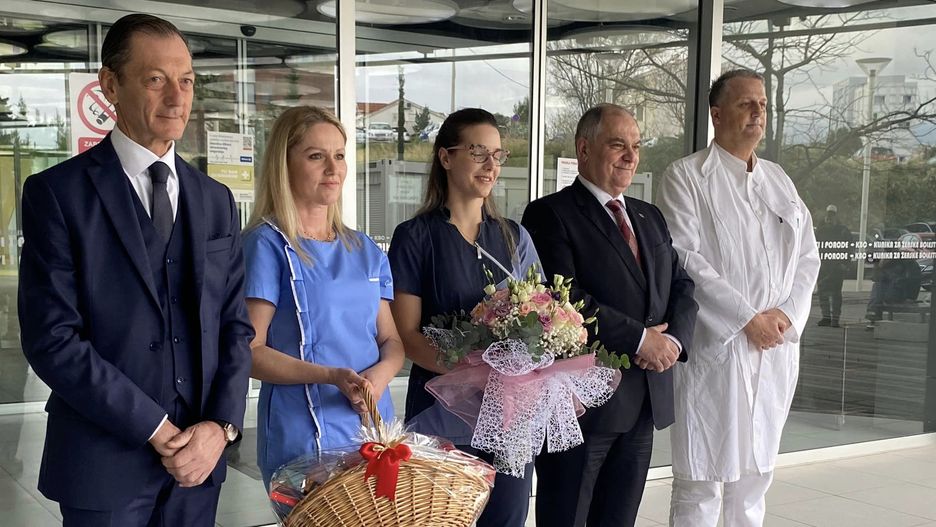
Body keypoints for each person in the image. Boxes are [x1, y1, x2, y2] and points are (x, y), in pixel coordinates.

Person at [17, 14, 253, 526]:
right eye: (155, 79)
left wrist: (221, 428)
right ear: (110, 84)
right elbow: (52, 338)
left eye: (186, 80)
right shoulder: (57, 194)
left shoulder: (216, 200)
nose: (176, 97)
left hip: (199, 465)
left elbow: (235, 328)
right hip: (102, 465)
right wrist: (155, 428)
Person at [657, 69, 820, 527]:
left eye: (762, 104)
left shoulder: (779, 180)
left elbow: (807, 255)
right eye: (746, 103)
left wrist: (786, 315)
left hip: (773, 348)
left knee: (755, 477)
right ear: (716, 114)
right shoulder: (686, 177)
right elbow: (685, 258)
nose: (757, 113)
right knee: (703, 480)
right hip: (719, 348)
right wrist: (748, 318)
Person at [521, 104, 697, 527]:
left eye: (636, 146)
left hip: (643, 400)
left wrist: (673, 342)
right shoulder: (550, 214)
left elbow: (682, 285)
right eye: (618, 145)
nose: (631, 156)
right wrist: (641, 340)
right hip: (583, 406)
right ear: (584, 149)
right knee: (567, 518)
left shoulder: (649, 216)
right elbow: (564, 299)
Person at [388, 107, 541, 527]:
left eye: (497, 154)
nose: (491, 164)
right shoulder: (415, 237)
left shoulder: (514, 237)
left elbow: (543, 318)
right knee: (443, 519)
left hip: (509, 416)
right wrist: (472, 373)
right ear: (445, 157)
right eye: (478, 152)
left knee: (507, 517)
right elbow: (407, 335)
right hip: (442, 413)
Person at [243, 106, 405, 487]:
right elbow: (249, 352)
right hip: (303, 437)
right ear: (284, 164)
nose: (333, 169)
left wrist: (379, 378)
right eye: (316, 156)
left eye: (340, 155)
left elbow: (391, 341)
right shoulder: (266, 246)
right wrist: (331, 377)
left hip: (373, 432)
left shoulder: (365, 250)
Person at [815, 204, 852, 327]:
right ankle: (826, 317)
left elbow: (849, 248)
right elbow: (814, 247)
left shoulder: (843, 231)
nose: (829, 217)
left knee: (836, 294)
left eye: (832, 215)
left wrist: (845, 264)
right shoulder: (820, 231)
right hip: (823, 267)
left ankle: (835, 318)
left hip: (837, 267)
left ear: (836, 216)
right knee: (823, 293)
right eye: (828, 214)